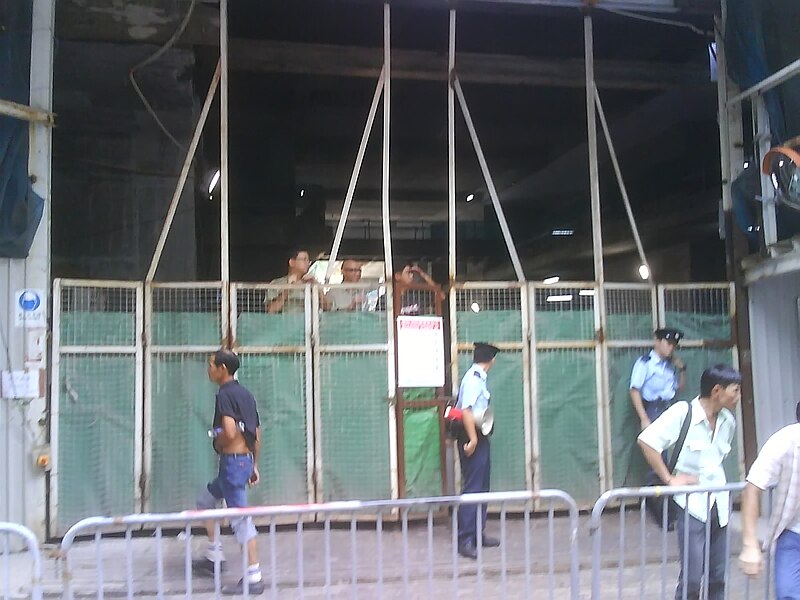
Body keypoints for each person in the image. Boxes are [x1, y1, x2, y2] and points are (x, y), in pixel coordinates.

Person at [638, 364, 742, 600]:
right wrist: (669, 478)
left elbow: (717, 459)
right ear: (717, 390)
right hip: (691, 506)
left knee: (718, 576)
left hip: (720, 507)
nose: (739, 396)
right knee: (692, 580)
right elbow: (647, 441)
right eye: (735, 390)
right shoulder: (682, 413)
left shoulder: (728, 421)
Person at [194, 349, 265, 595]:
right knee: (205, 500)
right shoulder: (246, 394)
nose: (208, 369)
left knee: (241, 519)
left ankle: (254, 577)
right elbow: (256, 433)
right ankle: (215, 555)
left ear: (222, 368)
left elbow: (230, 431)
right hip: (241, 463)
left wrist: (218, 443)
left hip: (233, 463)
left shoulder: (224, 395)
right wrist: (253, 463)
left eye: (211, 364)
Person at [738, 406, 800, 598]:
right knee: (787, 594)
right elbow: (753, 486)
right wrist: (750, 544)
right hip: (794, 531)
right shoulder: (787, 440)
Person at [456, 342, 501, 559]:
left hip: (480, 434)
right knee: (473, 487)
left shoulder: (478, 378)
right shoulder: (473, 380)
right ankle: (465, 539)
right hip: (471, 435)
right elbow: (466, 411)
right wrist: (473, 439)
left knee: (482, 485)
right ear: (491, 360)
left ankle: (477, 533)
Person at [630, 328, 686, 431]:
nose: (671, 348)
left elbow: (679, 388)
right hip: (653, 410)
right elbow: (634, 391)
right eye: (668, 343)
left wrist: (682, 369)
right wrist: (644, 418)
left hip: (670, 408)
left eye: (674, 345)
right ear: (657, 342)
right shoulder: (645, 363)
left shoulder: (670, 364)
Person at [265, 249, 316, 313]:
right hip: (284, 322)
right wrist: (289, 288)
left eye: (308, 260)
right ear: (292, 262)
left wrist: (317, 288)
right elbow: (271, 310)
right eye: (304, 259)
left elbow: (328, 307)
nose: (308, 263)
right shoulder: (276, 283)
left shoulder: (311, 282)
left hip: (308, 322)